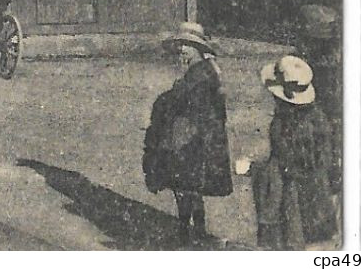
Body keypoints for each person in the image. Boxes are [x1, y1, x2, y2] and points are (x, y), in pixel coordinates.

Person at [143, 22, 232, 247]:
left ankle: (187, 234)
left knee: (184, 186)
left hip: (192, 137)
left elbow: (197, 109)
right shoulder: (203, 70)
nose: (182, 50)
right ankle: (197, 232)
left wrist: (169, 102)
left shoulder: (200, 76)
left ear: (198, 48)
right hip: (195, 135)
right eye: (181, 45)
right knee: (191, 188)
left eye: (187, 45)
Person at [236, 55, 338, 249]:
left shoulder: (284, 125)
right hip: (319, 199)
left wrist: (251, 168)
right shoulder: (318, 117)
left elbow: (283, 167)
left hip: (292, 202)